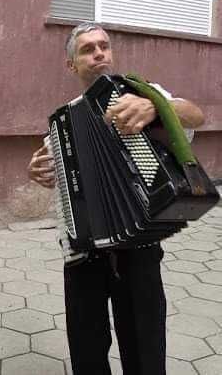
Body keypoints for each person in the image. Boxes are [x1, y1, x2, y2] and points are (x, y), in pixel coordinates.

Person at [27, 22, 204, 375]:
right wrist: (41, 171)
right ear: (71, 65)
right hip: (84, 249)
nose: (98, 54)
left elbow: (196, 114)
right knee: (87, 348)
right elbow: (59, 176)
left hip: (139, 245)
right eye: (87, 49)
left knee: (145, 347)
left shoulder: (140, 92)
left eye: (103, 46)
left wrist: (157, 106)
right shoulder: (65, 120)